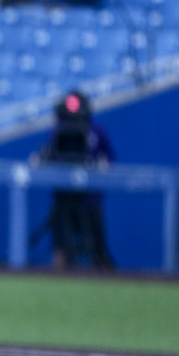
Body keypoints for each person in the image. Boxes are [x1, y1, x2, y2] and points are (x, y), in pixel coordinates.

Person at [31, 90, 114, 270]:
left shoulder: (96, 132)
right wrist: (40, 158)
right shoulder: (56, 131)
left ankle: (109, 281)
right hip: (63, 199)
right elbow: (48, 156)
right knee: (60, 249)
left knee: (99, 250)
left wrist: (101, 164)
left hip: (90, 199)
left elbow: (109, 160)